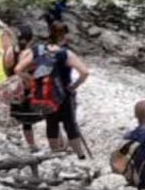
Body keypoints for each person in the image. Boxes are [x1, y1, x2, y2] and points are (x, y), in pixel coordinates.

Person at [16, 21, 92, 159]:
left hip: (45, 95)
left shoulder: (38, 50)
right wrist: (73, 87)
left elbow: (18, 69)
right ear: (63, 36)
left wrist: (31, 80)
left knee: (51, 123)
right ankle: (80, 157)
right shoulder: (65, 54)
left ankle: (55, 156)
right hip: (64, 95)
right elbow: (85, 72)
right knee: (70, 125)